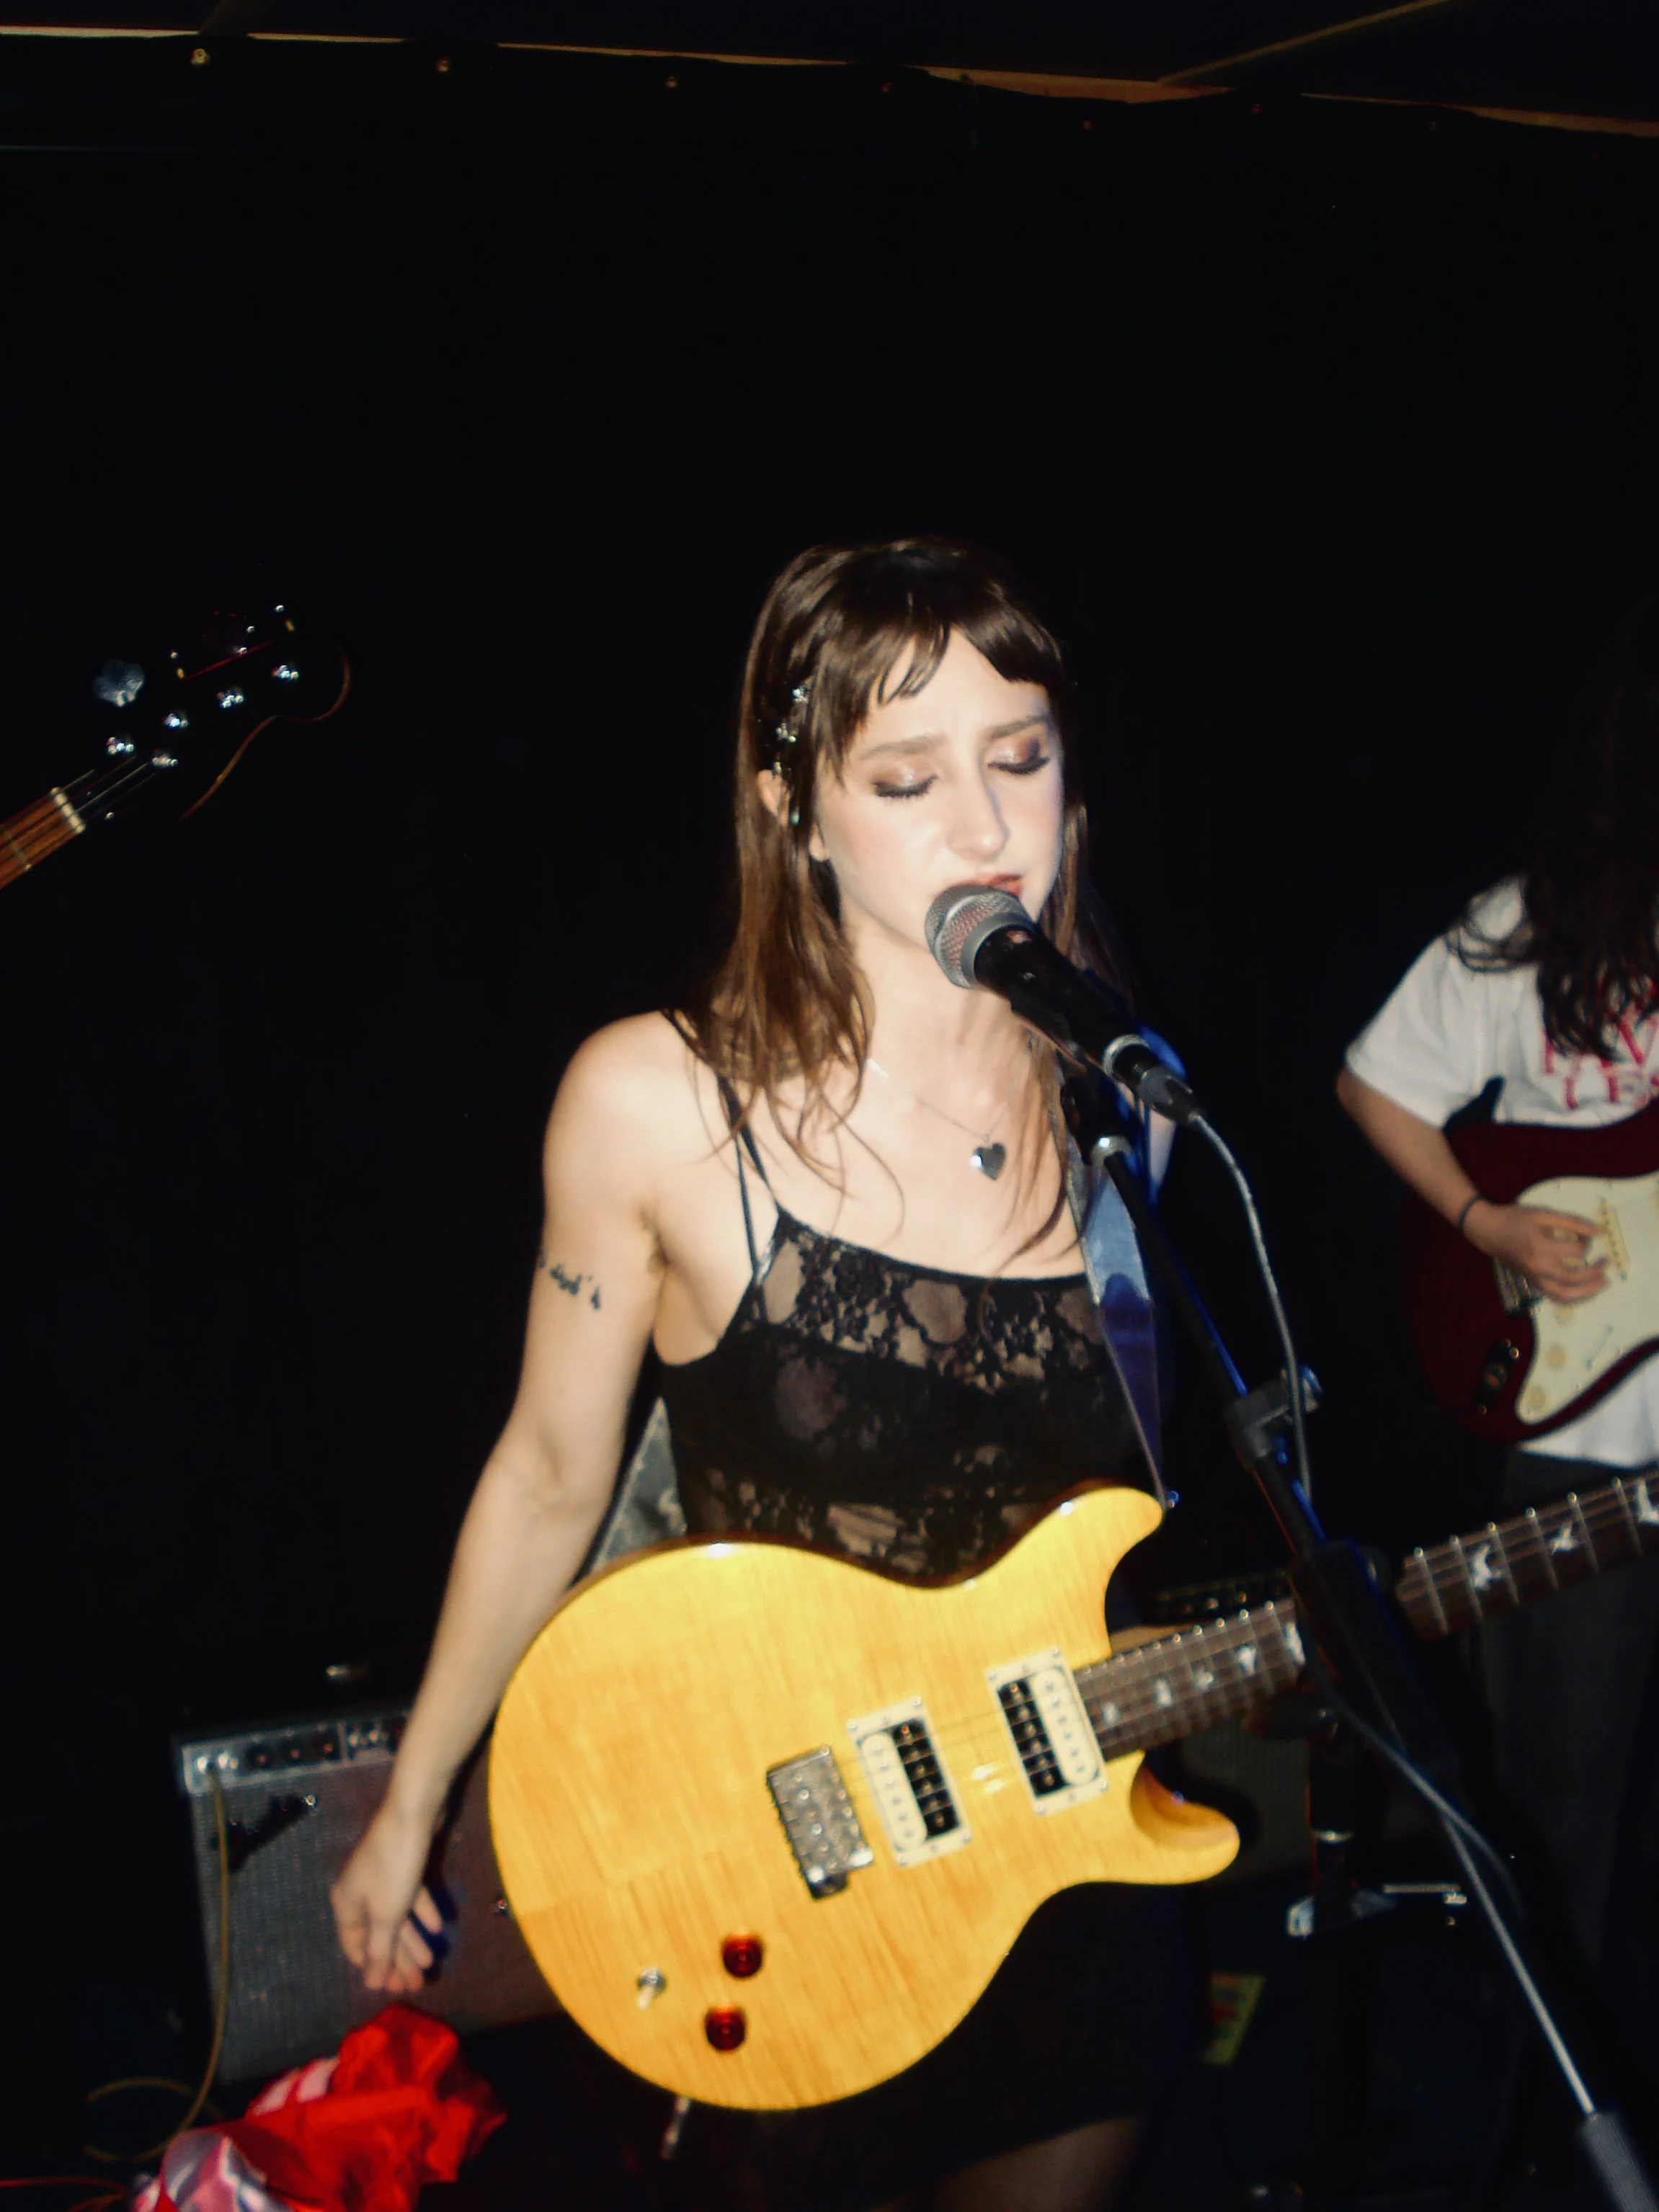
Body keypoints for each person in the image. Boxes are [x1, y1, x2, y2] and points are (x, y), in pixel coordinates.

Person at [330, 538, 1193, 2211]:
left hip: (1059, 1866)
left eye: (1018, 760)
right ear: (793, 804)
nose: (981, 826)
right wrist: (415, 1798)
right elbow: (546, 1476)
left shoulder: (1125, 1109)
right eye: (903, 775)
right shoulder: (660, 1104)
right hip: (791, 1875)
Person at [1336, 587, 1659, 1985]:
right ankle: (1551, 2116)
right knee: (1561, 1793)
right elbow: (1371, 1081)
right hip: (1583, 1435)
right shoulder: (1528, 928)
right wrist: (1485, 1222)